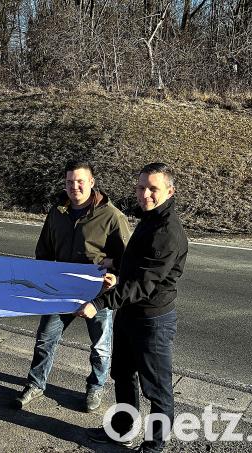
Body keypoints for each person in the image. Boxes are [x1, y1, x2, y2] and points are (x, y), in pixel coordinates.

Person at [78, 163, 188, 453]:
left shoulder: (167, 232)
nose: (145, 194)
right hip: (129, 314)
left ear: (169, 191)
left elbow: (143, 283)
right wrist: (118, 267)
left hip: (153, 320)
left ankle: (154, 445)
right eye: (141, 187)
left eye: (153, 188)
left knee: (156, 388)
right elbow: (137, 266)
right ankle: (124, 429)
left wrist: (100, 302)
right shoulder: (150, 219)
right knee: (123, 373)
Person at [14, 160, 129, 413]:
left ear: (91, 182)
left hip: (97, 295)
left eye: (79, 181)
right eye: (69, 181)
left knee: (100, 345)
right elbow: (43, 250)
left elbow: (126, 258)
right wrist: (42, 280)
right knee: (45, 339)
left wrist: (115, 275)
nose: (74, 186)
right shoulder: (57, 213)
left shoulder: (111, 216)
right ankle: (35, 384)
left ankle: (96, 387)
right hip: (60, 291)